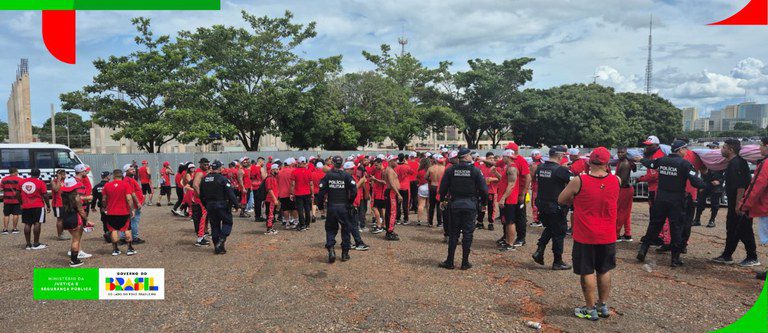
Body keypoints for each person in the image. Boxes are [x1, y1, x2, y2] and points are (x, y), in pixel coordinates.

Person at [557, 147, 619, 321]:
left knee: (587, 271)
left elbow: (561, 199)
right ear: (607, 163)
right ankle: (602, 305)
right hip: (607, 234)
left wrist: (577, 200)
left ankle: (590, 308)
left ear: (589, 161)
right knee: (604, 269)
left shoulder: (579, 181)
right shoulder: (616, 180)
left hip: (586, 234)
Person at [636, 140, 705, 267]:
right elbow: (695, 181)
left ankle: (643, 250)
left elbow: (651, 164)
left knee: (654, 226)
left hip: (661, 199)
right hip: (676, 201)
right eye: (685, 149)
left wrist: (641, 160)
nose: (687, 152)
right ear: (680, 150)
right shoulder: (685, 164)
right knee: (676, 228)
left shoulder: (662, 160)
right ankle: (675, 259)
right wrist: (708, 186)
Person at [712, 139, 761, 267]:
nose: (721, 149)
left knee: (744, 230)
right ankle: (727, 255)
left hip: (739, 204)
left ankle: (752, 257)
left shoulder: (736, 164)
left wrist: (738, 204)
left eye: (724, 147)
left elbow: (741, 186)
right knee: (733, 229)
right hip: (736, 204)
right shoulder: (733, 163)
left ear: (730, 149)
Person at [438, 148, 488, 270]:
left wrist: (443, 200)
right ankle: (465, 262)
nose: (472, 157)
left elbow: (443, 188)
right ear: (466, 157)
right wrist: (484, 203)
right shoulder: (475, 171)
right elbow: (483, 189)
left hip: (455, 204)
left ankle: (450, 261)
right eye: (470, 155)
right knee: (467, 233)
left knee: (454, 233)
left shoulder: (451, 170)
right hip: (470, 204)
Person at [532, 146, 572, 270]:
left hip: (543, 204)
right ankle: (557, 261)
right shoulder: (561, 170)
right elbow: (574, 182)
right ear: (560, 156)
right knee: (559, 232)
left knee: (550, 228)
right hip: (556, 206)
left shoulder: (541, 167)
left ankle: (539, 250)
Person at [318, 156, 358, 263]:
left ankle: (331, 249)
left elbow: (321, 193)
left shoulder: (327, 176)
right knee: (346, 229)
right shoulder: (346, 176)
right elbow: (354, 190)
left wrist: (321, 207)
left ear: (333, 163)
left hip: (331, 207)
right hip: (343, 207)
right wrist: (350, 202)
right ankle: (345, 253)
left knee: (331, 229)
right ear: (341, 164)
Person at [741, 137, 768, 280]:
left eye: (761, 146)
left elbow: (756, 187)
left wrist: (744, 205)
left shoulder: (766, 164)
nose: (759, 149)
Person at [200, 160, 240, 254]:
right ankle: (221, 240)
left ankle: (217, 247)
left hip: (210, 205)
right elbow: (230, 193)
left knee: (214, 226)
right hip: (222, 205)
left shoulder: (205, 179)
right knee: (227, 222)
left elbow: (201, 195)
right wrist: (236, 204)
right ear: (220, 168)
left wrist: (206, 205)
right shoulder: (222, 179)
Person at [102, 169, 138, 256]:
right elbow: (129, 198)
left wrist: (105, 207)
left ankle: (115, 249)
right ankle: (129, 248)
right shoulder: (126, 184)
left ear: (113, 176)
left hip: (111, 212)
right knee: (127, 229)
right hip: (124, 212)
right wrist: (132, 209)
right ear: (122, 175)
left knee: (113, 230)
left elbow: (104, 199)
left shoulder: (107, 185)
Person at [60, 178, 94, 267]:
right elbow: (81, 210)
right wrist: (87, 220)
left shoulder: (63, 195)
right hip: (75, 219)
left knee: (74, 239)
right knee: (76, 240)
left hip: (66, 218)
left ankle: (74, 258)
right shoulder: (76, 197)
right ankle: (74, 261)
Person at [495, 150, 520, 252]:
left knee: (510, 222)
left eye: (503, 157)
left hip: (509, 199)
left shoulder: (512, 168)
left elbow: (511, 184)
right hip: (506, 198)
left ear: (508, 157)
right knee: (506, 221)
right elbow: (503, 180)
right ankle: (507, 241)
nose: (502, 159)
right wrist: (495, 173)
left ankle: (510, 244)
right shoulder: (508, 167)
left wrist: (503, 198)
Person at [20, 168, 51, 250]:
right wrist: (48, 205)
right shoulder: (41, 182)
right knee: (37, 223)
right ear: (39, 174)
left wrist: (21, 203)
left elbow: (17, 193)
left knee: (27, 224)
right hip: (38, 205)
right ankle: (36, 243)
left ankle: (28, 244)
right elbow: (45, 195)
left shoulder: (22, 182)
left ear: (30, 173)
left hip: (26, 206)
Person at [344, 162, 370, 250]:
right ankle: (358, 243)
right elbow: (353, 189)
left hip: (352, 203)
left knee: (348, 224)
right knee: (352, 224)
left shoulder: (351, 177)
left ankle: (347, 242)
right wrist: (362, 181)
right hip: (351, 203)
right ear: (347, 169)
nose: (354, 170)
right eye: (352, 169)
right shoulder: (348, 178)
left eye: (353, 169)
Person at [615, 147, 636, 242]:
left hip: (624, 189)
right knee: (626, 212)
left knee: (620, 212)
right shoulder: (623, 162)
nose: (620, 154)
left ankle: (616, 234)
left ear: (626, 152)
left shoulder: (624, 163)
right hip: (627, 189)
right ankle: (627, 234)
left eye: (622, 152)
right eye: (618, 152)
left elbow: (622, 181)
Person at [123, 164, 146, 244]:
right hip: (134, 205)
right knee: (134, 221)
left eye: (134, 169)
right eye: (131, 169)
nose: (134, 170)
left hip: (134, 204)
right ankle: (134, 238)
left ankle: (125, 238)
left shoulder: (129, 179)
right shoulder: (128, 179)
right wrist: (138, 203)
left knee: (129, 221)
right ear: (126, 171)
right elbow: (131, 193)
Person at [291, 156, 314, 231]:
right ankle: (307, 224)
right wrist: (312, 193)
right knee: (307, 209)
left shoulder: (294, 171)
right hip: (307, 193)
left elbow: (293, 184)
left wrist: (291, 193)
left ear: (298, 163)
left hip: (298, 193)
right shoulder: (309, 171)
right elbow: (311, 184)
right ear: (305, 163)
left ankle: (302, 224)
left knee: (300, 210)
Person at [191, 158, 211, 246]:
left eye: (207, 164)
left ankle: (202, 237)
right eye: (204, 164)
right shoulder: (199, 173)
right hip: (200, 201)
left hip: (200, 200)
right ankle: (199, 239)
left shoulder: (202, 172)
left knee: (203, 219)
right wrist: (201, 197)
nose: (206, 166)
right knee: (202, 219)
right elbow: (195, 185)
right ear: (200, 164)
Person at [476, 153, 499, 230]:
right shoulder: (480, 167)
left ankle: (491, 223)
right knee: (481, 206)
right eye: (489, 158)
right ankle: (480, 222)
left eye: (493, 158)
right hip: (482, 191)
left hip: (492, 191)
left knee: (491, 208)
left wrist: (492, 179)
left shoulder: (495, 168)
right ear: (486, 159)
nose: (492, 159)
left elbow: (501, 178)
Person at [383, 155, 403, 240]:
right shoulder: (390, 170)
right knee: (392, 213)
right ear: (390, 161)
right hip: (391, 193)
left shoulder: (389, 170)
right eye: (394, 160)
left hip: (390, 192)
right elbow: (391, 183)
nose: (396, 162)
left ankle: (390, 230)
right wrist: (398, 194)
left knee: (390, 212)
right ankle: (389, 232)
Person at [426, 155, 447, 228]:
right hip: (440, 187)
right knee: (439, 205)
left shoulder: (431, 168)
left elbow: (426, 177)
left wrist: (431, 179)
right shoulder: (444, 168)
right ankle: (439, 222)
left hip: (432, 186)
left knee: (431, 205)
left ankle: (430, 222)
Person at [1, 167, 23, 235]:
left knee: (6, 215)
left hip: (7, 200)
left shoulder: (4, 179)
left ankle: (5, 229)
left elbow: (1, 189)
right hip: (16, 200)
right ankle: (14, 229)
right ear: (15, 172)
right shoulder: (20, 179)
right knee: (15, 214)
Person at [394, 153, 414, 225]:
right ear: (404, 159)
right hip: (405, 187)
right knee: (405, 204)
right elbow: (412, 172)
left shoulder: (395, 167)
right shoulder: (406, 166)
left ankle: (398, 219)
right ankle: (405, 219)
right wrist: (407, 164)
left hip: (397, 187)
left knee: (398, 204)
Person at [91, 171, 110, 242]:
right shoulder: (110, 185)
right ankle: (112, 235)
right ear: (107, 176)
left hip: (102, 207)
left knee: (105, 221)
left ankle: (107, 234)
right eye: (109, 175)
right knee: (111, 220)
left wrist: (92, 207)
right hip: (111, 206)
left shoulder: (97, 186)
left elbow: (94, 198)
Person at [49, 169, 68, 240]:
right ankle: (60, 235)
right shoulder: (54, 181)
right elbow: (56, 189)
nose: (65, 176)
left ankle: (62, 232)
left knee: (63, 219)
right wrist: (59, 179)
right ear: (58, 175)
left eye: (65, 174)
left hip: (63, 203)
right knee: (59, 219)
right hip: (57, 204)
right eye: (63, 174)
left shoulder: (64, 181)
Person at [264, 164, 281, 235]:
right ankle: (269, 229)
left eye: (278, 169)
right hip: (270, 199)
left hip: (273, 199)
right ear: (272, 170)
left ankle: (271, 228)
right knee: (270, 214)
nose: (277, 171)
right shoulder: (269, 178)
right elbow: (269, 189)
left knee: (272, 214)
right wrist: (274, 199)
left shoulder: (274, 177)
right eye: (276, 169)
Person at [416, 157, 432, 226]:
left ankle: (419, 220)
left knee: (421, 205)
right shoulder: (430, 170)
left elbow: (417, 179)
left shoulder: (420, 170)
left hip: (421, 187)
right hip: (429, 187)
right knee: (428, 205)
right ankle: (429, 220)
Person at [529, 150, 544, 227]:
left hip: (536, 187)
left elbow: (530, 177)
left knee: (535, 203)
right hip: (543, 187)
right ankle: (542, 219)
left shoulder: (533, 165)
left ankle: (537, 220)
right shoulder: (543, 164)